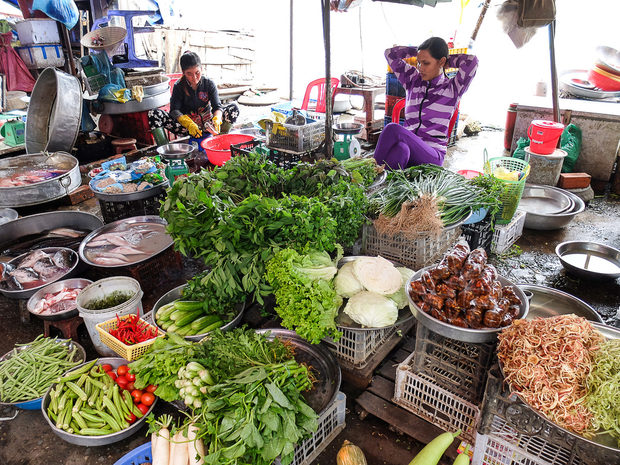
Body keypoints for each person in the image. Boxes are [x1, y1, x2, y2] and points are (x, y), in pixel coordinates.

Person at [374, 37, 478, 169]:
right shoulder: (412, 80)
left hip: (432, 154)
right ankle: (384, 182)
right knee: (401, 149)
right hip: (409, 147)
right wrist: (418, 51)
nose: (420, 68)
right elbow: (390, 53)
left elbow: (471, 62)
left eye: (426, 63)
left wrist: (445, 59)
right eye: (419, 62)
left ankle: (370, 170)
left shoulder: (453, 88)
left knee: (392, 129)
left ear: (441, 62)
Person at [148, 51, 239, 138]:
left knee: (233, 109)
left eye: (197, 73)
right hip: (187, 128)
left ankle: (220, 138)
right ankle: (165, 150)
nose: (194, 77)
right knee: (153, 113)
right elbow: (174, 110)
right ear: (183, 73)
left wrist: (217, 119)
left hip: (209, 126)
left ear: (202, 69)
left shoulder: (208, 83)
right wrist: (188, 124)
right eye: (189, 74)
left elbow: (217, 106)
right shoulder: (178, 86)